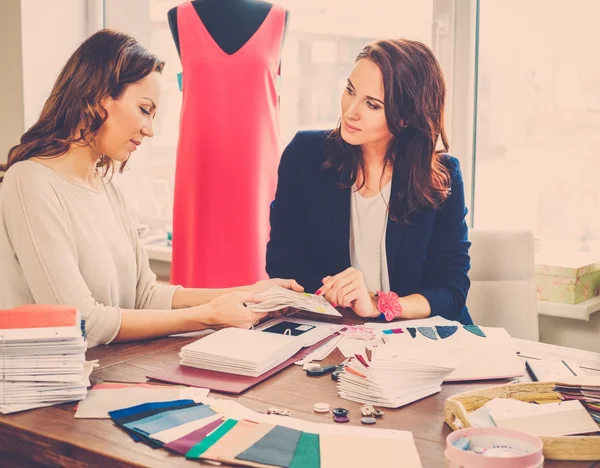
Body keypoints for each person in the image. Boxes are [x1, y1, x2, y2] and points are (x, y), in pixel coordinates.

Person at [0, 29, 303, 348]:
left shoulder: (106, 191)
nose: (150, 130)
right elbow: (82, 321)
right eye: (145, 109)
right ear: (98, 95)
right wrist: (208, 316)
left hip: (108, 370)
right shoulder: (30, 182)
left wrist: (247, 292)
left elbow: (145, 295)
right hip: (50, 389)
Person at [266, 39, 472, 324]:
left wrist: (378, 304)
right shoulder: (305, 156)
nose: (351, 111)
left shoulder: (442, 177)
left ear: (405, 119)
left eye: (372, 105)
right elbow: (282, 264)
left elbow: (451, 292)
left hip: (421, 338)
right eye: (350, 90)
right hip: (338, 330)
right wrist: (340, 294)